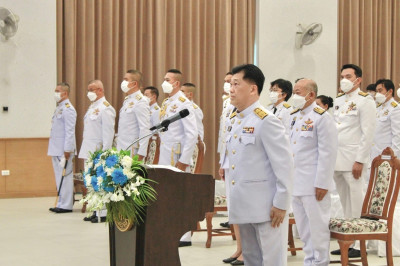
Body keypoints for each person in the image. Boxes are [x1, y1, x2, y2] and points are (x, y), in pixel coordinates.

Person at [222, 64, 293, 266]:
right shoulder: (237, 119)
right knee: (252, 259)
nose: (231, 89)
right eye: (230, 84)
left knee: (272, 260)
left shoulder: (266, 120)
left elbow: (284, 164)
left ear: (253, 89)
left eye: (236, 84)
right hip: (244, 204)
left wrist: (281, 203)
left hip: (267, 208)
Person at [290, 79, 338, 266]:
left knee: (317, 228)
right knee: (304, 229)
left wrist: (323, 183)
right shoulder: (295, 116)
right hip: (297, 182)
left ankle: (320, 262)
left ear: (311, 95)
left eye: (298, 92)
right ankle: (309, 260)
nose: (295, 96)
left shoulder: (322, 117)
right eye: (294, 91)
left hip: (314, 183)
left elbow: (328, 153)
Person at [331, 64, 376, 257]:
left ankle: (359, 244)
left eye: (348, 76)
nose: (344, 80)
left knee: (356, 200)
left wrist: (360, 160)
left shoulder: (366, 101)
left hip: (353, 160)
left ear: (358, 80)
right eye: (342, 76)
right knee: (344, 201)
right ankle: (348, 241)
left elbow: (368, 133)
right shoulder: (339, 99)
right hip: (338, 158)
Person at [158, 69, 197, 246]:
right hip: (166, 153)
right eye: (164, 79)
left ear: (177, 84)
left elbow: (192, 134)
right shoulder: (167, 102)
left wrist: (184, 160)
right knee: (168, 194)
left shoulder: (183, 103)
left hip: (177, 155)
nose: (164, 82)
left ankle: (185, 236)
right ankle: (170, 230)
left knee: (180, 194)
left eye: (167, 79)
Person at [78, 79, 116, 223]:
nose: (89, 92)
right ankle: (95, 211)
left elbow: (108, 134)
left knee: (100, 182)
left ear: (100, 90)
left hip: (98, 151)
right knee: (91, 182)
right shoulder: (93, 107)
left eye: (92, 89)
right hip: (88, 150)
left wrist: (105, 153)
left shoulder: (106, 108)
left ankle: (103, 212)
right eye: (88, 89)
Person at [218, 72, 244, 265]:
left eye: (232, 82)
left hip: (240, 161)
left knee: (242, 208)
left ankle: (247, 250)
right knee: (233, 209)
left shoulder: (242, 104)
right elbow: (224, 134)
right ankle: (239, 248)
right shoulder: (227, 103)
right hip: (228, 160)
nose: (228, 86)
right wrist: (222, 161)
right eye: (227, 82)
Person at [48, 82, 77, 213]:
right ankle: (61, 203)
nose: (55, 93)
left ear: (65, 93)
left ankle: (66, 205)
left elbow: (70, 131)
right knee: (59, 177)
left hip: (63, 150)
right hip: (56, 148)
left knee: (65, 177)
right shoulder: (60, 107)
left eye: (57, 91)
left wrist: (67, 150)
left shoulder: (68, 109)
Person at [116, 69, 151, 160]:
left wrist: (141, 153)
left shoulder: (141, 101)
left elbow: (145, 129)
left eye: (126, 80)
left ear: (134, 84)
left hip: (132, 152)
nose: (123, 82)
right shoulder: (128, 100)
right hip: (122, 148)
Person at [371, 79, 400, 160]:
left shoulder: (396, 108)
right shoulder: (377, 107)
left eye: (380, 90)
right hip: (374, 152)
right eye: (376, 91)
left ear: (390, 91)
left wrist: (393, 156)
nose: (377, 94)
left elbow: (397, 136)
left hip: (387, 154)